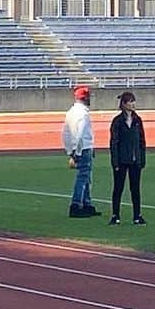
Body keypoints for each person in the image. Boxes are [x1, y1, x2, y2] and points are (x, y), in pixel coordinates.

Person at [108, 91, 146, 226]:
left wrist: (142, 159)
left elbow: (142, 141)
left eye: (133, 101)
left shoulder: (137, 120)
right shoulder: (117, 121)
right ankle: (115, 215)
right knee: (118, 188)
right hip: (122, 160)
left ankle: (137, 215)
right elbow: (114, 142)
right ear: (124, 104)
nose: (133, 104)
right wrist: (115, 161)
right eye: (130, 101)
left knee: (135, 189)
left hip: (135, 160)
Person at [62, 85, 98, 219]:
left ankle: (86, 203)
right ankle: (76, 204)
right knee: (83, 177)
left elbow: (65, 133)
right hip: (83, 148)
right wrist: (77, 152)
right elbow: (80, 134)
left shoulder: (70, 112)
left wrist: (69, 151)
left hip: (77, 148)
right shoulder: (83, 114)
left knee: (86, 176)